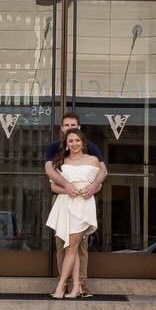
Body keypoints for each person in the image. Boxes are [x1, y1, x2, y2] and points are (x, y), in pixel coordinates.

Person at [45, 128, 105, 300]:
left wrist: (91, 189)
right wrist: (68, 190)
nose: (74, 144)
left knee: (71, 246)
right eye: (70, 141)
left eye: (77, 140)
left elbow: (99, 184)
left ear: (83, 142)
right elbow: (54, 187)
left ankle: (61, 286)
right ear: (66, 144)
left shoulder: (93, 160)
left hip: (83, 205)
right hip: (65, 204)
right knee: (73, 246)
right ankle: (76, 286)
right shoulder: (60, 162)